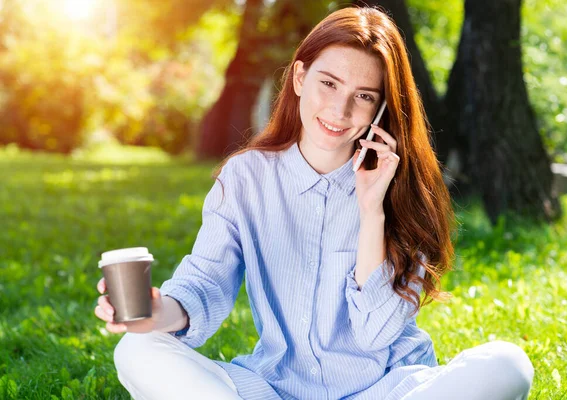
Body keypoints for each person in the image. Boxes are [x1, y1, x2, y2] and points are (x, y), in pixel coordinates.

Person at [94, 6, 534, 400]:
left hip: (387, 389)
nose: (340, 110)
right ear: (300, 79)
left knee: (508, 364)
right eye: (329, 83)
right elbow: (205, 283)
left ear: (381, 110)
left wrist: (371, 210)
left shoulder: (401, 188)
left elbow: (374, 333)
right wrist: (154, 310)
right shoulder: (245, 178)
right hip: (271, 389)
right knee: (138, 348)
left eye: (364, 96)